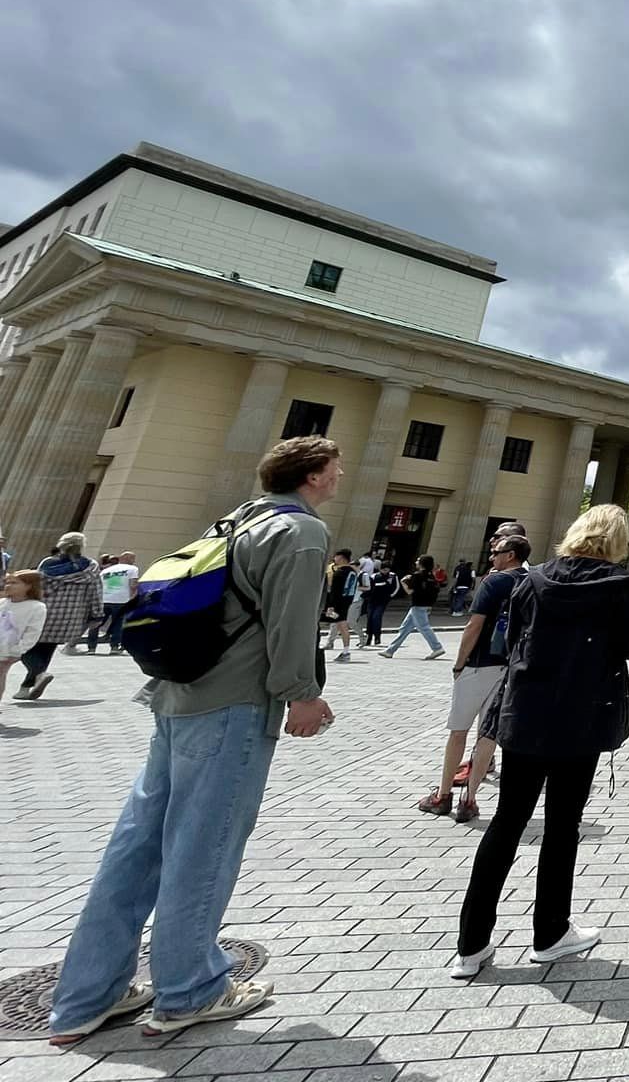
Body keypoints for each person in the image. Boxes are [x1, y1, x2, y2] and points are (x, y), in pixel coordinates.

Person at [46, 436, 341, 1043]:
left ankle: (85, 998)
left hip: (176, 695)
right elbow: (292, 621)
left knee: (138, 843)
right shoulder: (302, 533)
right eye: (335, 469)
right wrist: (301, 693)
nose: (339, 477)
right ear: (313, 476)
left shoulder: (236, 520)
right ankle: (189, 991)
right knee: (203, 845)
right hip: (232, 703)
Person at [448, 504, 629, 979]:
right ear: (617, 541)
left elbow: (516, 638)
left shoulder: (531, 580)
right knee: (563, 825)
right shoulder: (623, 587)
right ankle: (550, 933)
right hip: (581, 718)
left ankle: (471, 946)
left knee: (506, 822)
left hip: (525, 713)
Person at [421, 536, 528, 823]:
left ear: (511, 555)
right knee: (487, 734)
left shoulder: (494, 582)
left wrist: (458, 664)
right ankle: (470, 800)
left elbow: (474, 625)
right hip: (511, 666)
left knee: (458, 731)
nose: (492, 556)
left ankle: (443, 795)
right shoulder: (533, 581)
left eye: (497, 552)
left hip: (480, 663)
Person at [18, 532, 101, 699]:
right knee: (47, 649)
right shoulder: (90, 566)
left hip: (43, 612)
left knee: (23, 648)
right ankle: (26, 688)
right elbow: (96, 591)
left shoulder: (48, 564)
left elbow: (37, 587)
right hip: (70, 616)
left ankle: (38, 675)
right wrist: (96, 614)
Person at [382, 556, 446, 659]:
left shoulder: (417, 575)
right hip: (426, 605)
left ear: (421, 563)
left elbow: (410, 591)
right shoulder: (431, 576)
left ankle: (437, 648)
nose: (416, 562)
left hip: (418, 605)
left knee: (424, 627)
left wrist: (403, 582)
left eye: (418, 561)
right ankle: (390, 650)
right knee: (405, 628)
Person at [1, 568, 48, 695]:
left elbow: (32, 633)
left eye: (14, 583)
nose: (8, 586)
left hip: (8, 649)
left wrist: (18, 650)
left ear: (28, 586)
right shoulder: (3, 603)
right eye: (7, 582)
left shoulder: (36, 607)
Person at [321, 551, 356, 663]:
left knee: (318, 619)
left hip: (335, 605)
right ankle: (346, 651)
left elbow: (335, 592)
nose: (334, 559)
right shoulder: (353, 572)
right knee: (342, 624)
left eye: (336, 557)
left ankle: (312, 645)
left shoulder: (339, 573)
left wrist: (330, 606)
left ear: (341, 558)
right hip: (346, 603)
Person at [359, 553, 395, 645]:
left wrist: (390, 596)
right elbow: (369, 588)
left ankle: (377, 637)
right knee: (370, 618)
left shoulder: (392, 576)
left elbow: (396, 587)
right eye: (383, 569)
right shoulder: (374, 576)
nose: (385, 571)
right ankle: (368, 637)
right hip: (372, 600)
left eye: (387, 569)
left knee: (376, 617)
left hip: (383, 601)